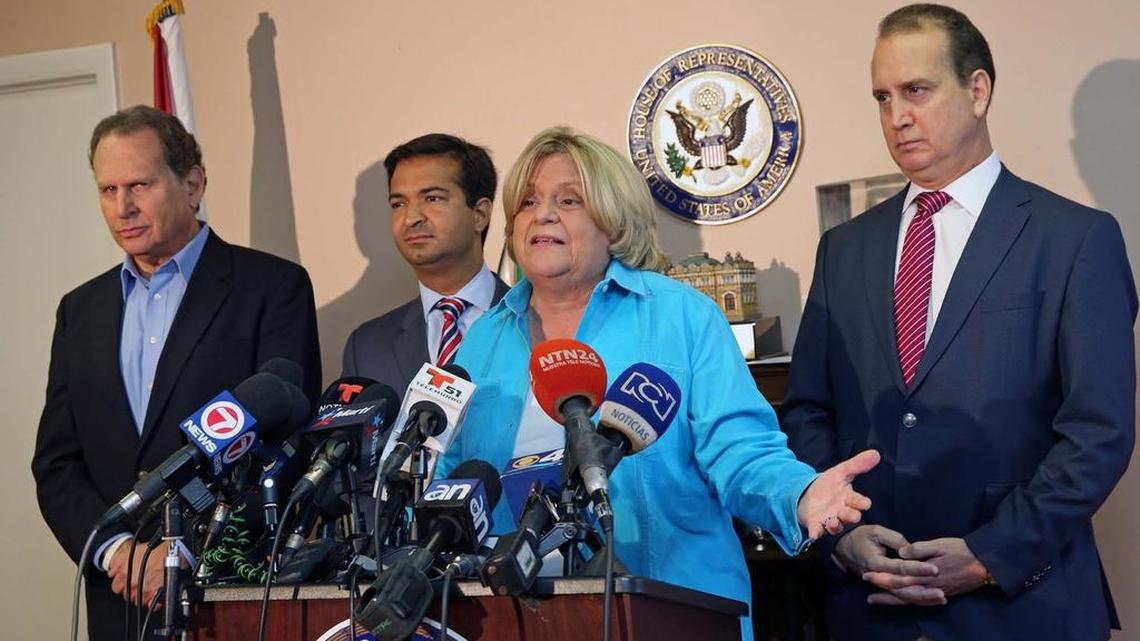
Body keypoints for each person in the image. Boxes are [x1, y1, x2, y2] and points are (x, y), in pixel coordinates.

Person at [436, 126, 880, 640]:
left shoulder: (682, 317)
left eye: (569, 200)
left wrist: (799, 495)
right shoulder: (482, 341)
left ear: (614, 221)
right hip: (515, 619)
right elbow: (451, 476)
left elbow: (741, 451)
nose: (544, 214)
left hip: (671, 612)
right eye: (528, 201)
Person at [781, 5, 1136, 641]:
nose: (896, 117)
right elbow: (808, 410)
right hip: (870, 608)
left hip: (1023, 608)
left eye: (916, 90)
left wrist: (986, 556)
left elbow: (1098, 433)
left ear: (978, 90)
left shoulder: (1077, 240)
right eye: (882, 97)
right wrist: (841, 533)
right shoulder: (844, 248)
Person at [31, 105, 321, 641]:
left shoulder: (272, 288)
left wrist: (186, 548)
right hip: (118, 601)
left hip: (225, 598)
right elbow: (57, 463)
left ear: (192, 184)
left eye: (139, 184)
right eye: (107, 189)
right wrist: (117, 550)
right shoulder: (80, 309)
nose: (123, 207)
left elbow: (288, 448)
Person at [342, 134, 510, 390]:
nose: (411, 218)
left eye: (432, 198)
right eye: (398, 203)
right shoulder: (366, 346)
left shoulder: (536, 322)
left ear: (480, 214)